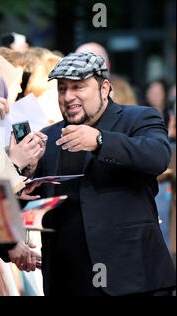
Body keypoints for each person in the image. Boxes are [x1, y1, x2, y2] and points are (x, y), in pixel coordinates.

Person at [30, 51, 176, 296]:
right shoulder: (49, 136)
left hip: (134, 279)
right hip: (69, 282)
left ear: (104, 88)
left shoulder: (138, 118)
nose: (68, 96)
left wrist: (100, 140)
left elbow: (157, 156)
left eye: (78, 87)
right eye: (62, 88)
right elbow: (34, 200)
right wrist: (22, 173)